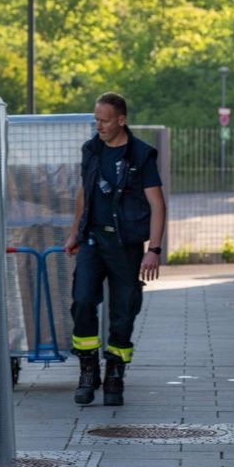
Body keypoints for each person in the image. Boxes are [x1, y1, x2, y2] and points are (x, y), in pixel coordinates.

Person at [64, 92, 166, 406]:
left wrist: (154, 250)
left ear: (121, 119)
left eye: (104, 120)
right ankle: (88, 369)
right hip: (93, 241)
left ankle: (115, 373)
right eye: (96, 120)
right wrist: (74, 234)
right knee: (82, 302)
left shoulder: (141, 155)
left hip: (126, 246)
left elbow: (157, 204)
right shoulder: (91, 151)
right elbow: (84, 192)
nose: (99, 126)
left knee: (123, 312)